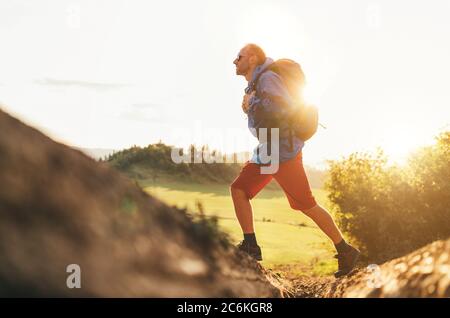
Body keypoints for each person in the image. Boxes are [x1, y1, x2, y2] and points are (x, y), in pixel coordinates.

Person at [231, 43, 360, 278]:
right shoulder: (258, 83)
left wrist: (252, 105)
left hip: (280, 152)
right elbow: (266, 116)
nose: (234, 60)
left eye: (238, 56)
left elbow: (283, 109)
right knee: (302, 204)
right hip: (274, 149)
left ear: (251, 58)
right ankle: (345, 250)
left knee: (243, 190)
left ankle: (251, 245)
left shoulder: (267, 78)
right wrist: (249, 107)